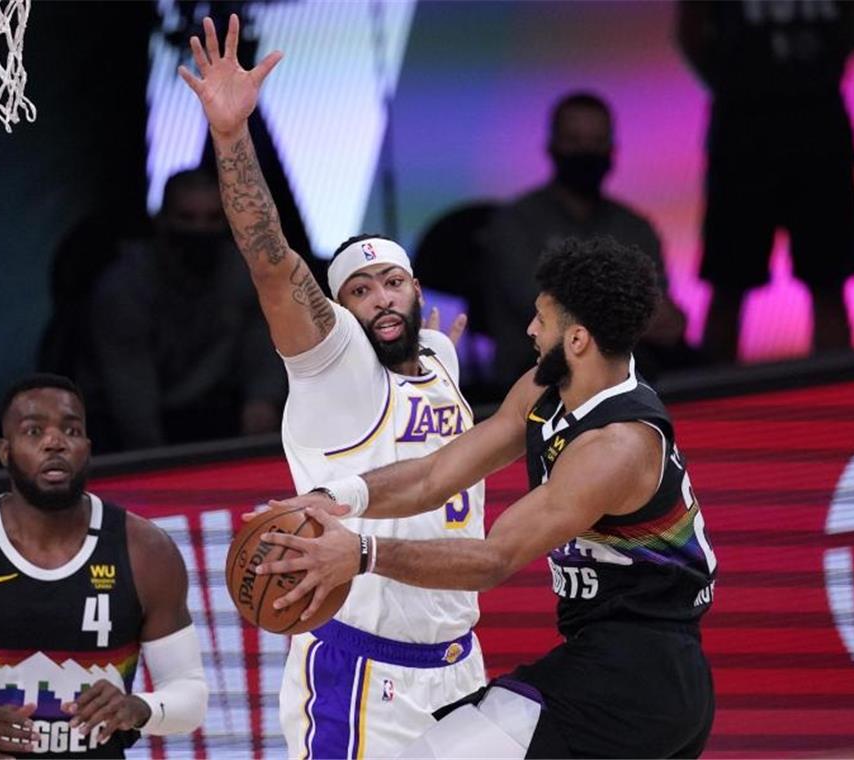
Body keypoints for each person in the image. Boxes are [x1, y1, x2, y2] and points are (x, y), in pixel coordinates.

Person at [255, 236, 719, 758]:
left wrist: (363, 554)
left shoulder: (615, 447)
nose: (529, 330)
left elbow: (494, 560)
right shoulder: (547, 389)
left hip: (639, 679)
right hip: (601, 659)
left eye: (542, 320)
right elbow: (436, 476)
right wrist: (333, 497)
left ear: (579, 339)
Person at [177, 15, 484, 759]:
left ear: (414, 290)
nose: (379, 298)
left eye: (392, 283)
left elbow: (432, 339)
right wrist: (230, 137)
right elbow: (272, 260)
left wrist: (432, 333)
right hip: (364, 674)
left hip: (460, 662)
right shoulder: (337, 367)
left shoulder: (439, 354)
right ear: (340, 312)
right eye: (359, 290)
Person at [0, 374, 209, 758]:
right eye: (33, 431)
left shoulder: (146, 550)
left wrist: (138, 708)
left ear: (87, 448)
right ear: (5, 451)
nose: (55, 441)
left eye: (71, 430)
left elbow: (189, 694)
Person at [677, 1, 854, 363]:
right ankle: (713, 411)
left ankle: (837, 404)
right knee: (728, 284)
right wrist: (738, 85)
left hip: (819, 133)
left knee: (829, 282)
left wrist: (815, 74)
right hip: (743, 138)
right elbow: (691, 32)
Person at [483, 91, 700, 386]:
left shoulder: (634, 227)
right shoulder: (516, 223)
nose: (586, 151)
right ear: (553, 146)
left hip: (630, 368)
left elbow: (662, 316)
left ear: (612, 149)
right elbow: (544, 309)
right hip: (536, 372)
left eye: (597, 142)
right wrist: (627, 315)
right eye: (574, 141)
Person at [84, 167, 286, 451]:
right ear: (162, 221)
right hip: (130, 425)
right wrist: (156, 463)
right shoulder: (125, 287)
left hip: (215, 415)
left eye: (212, 218)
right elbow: (131, 397)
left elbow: (263, 346)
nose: (200, 230)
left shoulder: (243, 274)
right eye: (187, 218)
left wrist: (263, 399)